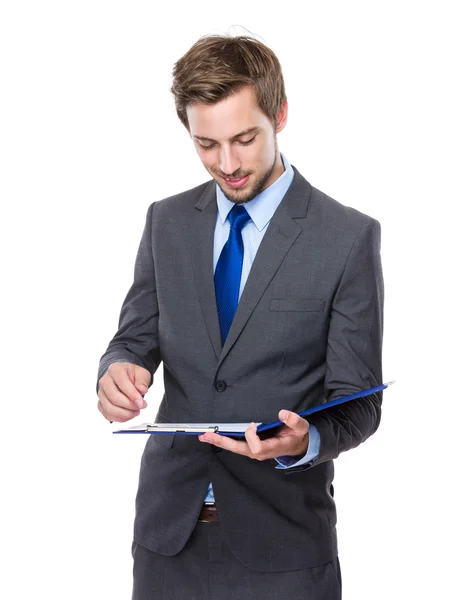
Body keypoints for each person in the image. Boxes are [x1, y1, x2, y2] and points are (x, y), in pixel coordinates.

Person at [96, 33, 384, 600]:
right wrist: (117, 370)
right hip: (167, 540)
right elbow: (133, 337)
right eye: (206, 144)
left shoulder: (347, 238)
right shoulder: (167, 222)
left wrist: (304, 440)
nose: (226, 164)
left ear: (279, 114)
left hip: (284, 549)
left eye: (244, 139)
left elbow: (361, 402)